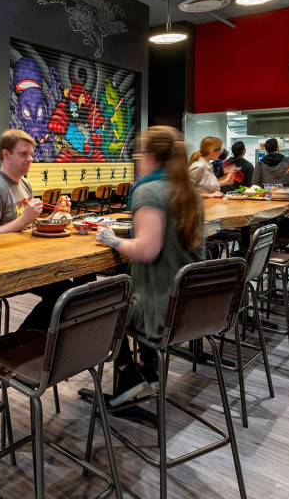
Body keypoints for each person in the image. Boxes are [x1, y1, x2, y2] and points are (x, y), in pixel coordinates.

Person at [94, 126, 205, 405]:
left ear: (151, 156)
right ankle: (149, 368)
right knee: (129, 289)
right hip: (190, 307)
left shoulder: (148, 191)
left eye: (139, 154)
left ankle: (126, 374)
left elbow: (145, 249)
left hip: (158, 311)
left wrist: (111, 240)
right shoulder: (188, 190)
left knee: (94, 309)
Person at [0, 128, 92, 331]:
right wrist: (22, 221)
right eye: (23, 154)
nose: (30, 159)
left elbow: (29, 226)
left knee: (86, 279)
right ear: (5, 154)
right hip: (3, 268)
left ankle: (61, 349)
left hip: (29, 259)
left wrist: (56, 215)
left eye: (31, 154)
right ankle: (17, 345)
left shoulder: (25, 184)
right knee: (64, 295)